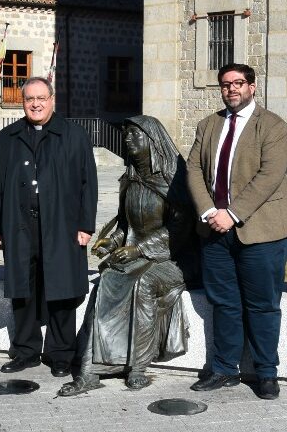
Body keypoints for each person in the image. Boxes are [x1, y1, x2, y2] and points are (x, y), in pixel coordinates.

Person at [58, 115, 196, 395]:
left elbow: (181, 228)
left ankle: (138, 367)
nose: (128, 140)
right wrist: (110, 242)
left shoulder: (173, 180)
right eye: (127, 135)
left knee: (143, 285)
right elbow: (125, 223)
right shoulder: (131, 180)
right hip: (138, 255)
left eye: (136, 135)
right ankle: (91, 370)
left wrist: (140, 249)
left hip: (174, 259)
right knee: (106, 280)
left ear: (153, 140)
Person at [186, 63, 287, 400]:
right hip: (214, 231)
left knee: (263, 304)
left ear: (252, 86)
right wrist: (209, 212)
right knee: (223, 303)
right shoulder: (208, 125)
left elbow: (270, 176)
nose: (231, 89)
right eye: (225, 84)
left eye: (238, 83)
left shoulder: (273, 126)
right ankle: (224, 368)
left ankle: (266, 372)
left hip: (262, 231)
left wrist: (232, 214)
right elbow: (193, 170)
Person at [0, 77, 97, 378]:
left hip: (62, 225)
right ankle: (25, 351)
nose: (35, 104)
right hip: (19, 225)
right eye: (29, 99)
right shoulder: (10, 136)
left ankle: (61, 354)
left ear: (52, 100)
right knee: (23, 289)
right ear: (23, 102)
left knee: (61, 288)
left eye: (41, 98)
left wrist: (86, 225)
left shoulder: (74, 135)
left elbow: (89, 184)